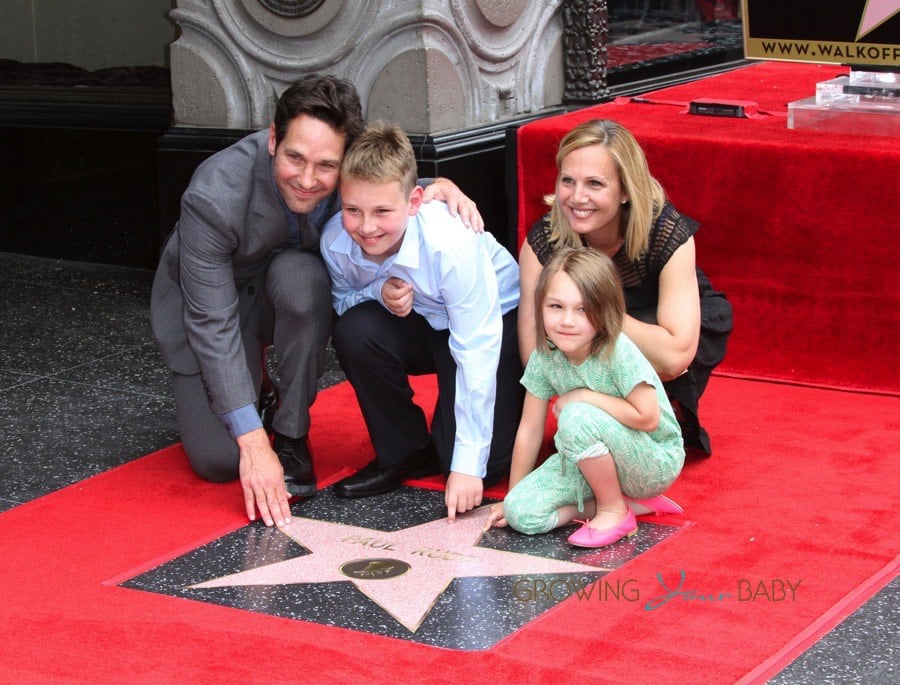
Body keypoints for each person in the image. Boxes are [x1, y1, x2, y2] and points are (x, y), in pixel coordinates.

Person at [150, 75, 482, 529]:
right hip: (211, 306)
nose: (307, 180)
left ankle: (290, 430)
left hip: (288, 290)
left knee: (302, 279)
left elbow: (385, 185)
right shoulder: (213, 195)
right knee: (218, 460)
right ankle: (258, 390)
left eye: (326, 166)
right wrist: (251, 443)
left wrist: (439, 184)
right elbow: (212, 322)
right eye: (294, 158)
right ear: (272, 139)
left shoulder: (348, 174)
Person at [319, 123, 524, 521]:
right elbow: (343, 300)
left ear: (414, 202)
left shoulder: (451, 245)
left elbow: (476, 347)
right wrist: (378, 293)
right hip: (422, 320)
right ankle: (405, 450)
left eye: (382, 211)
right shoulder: (335, 240)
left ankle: (463, 436)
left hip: (494, 321)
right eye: (352, 210)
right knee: (355, 330)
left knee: (480, 462)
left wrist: (468, 466)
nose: (366, 227)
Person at [518, 119, 732, 455]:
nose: (577, 197)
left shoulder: (665, 232)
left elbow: (675, 356)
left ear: (626, 190)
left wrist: (596, 311)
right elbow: (534, 357)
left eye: (595, 184)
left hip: (649, 320)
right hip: (591, 342)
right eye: (568, 181)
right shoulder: (544, 241)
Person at [487, 247, 684, 548]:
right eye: (556, 306)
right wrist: (513, 494)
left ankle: (614, 510)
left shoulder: (618, 350)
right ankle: (623, 502)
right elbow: (530, 429)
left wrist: (583, 396)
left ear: (605, 312)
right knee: (520, 514)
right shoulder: (545, 357)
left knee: (576, 414)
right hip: (586, 458)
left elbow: (649, 417)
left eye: (582, 309)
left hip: (651, 459)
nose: (567, 320)